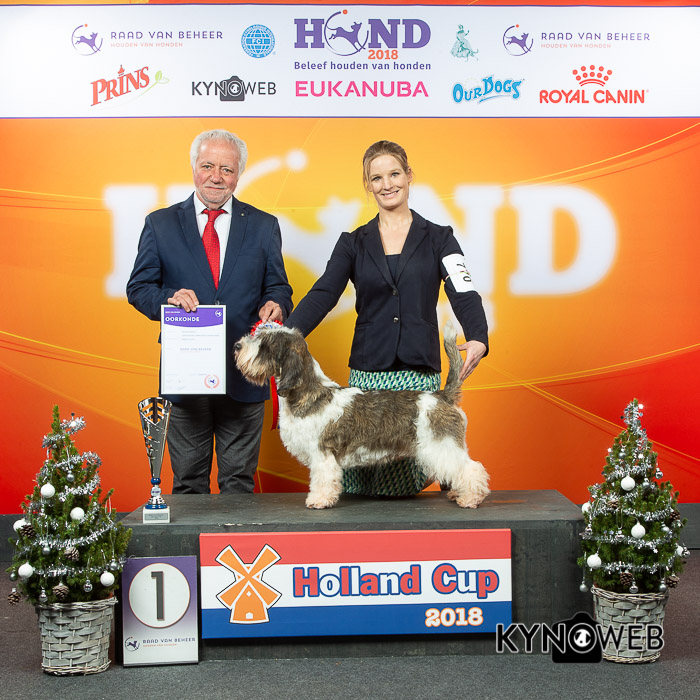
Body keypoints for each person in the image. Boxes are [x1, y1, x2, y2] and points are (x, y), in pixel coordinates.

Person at [285, 140, 488, 497]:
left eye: (394, 174)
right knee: (362, 484)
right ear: (368, 184)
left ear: (409, 176)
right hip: (369, 372)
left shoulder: (439, 237)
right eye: (376, 178)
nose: (387, 184)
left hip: (417, 370)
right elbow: (324, 293)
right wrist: (286, 333)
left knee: (413, 474)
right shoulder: (352, 242)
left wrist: (478, 336)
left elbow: (463, 290)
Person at [127, 129, 293, 494]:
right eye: (207, 166)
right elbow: (138, 289)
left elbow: (279, 287)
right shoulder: (160, 224)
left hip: (244, 374)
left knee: (239, 484)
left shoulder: (264, 225)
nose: (216, 177)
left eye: (226, 169)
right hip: (185, 375)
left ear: (239, 174)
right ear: (193, 168)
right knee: (187, 484)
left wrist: (277, 304)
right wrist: (168, 298)